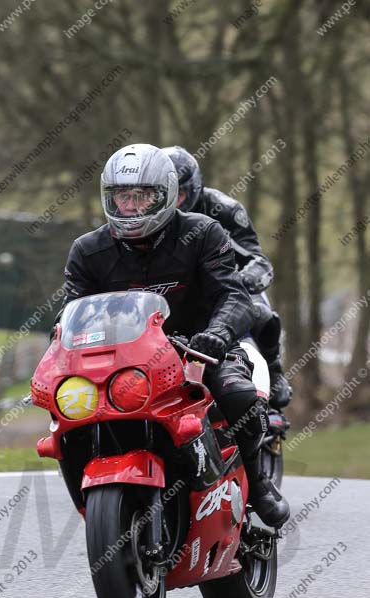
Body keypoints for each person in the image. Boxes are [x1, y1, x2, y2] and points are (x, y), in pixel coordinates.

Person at [61, 143, 289, 528]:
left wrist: (216, 335)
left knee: (239, 394)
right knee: (70, 413)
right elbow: (69, 315)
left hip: (201, 348)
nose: (130, 207)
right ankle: (99, 498)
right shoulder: (87, 251)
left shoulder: (204, 232)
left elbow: (234, 297)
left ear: (167, 194)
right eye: (122, 197)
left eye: (142, 196)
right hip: (126, 359)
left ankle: (260, 482)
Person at [162, 145, 292, 409]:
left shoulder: (224, 209)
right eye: (166, 194)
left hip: (225, 284)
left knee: (260, 313)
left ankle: (275, 373)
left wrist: (241, 281)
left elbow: (258, 259)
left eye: (180, 194)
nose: (172, 203)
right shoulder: (144, 218)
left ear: (194, 188)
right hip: (176, 294)